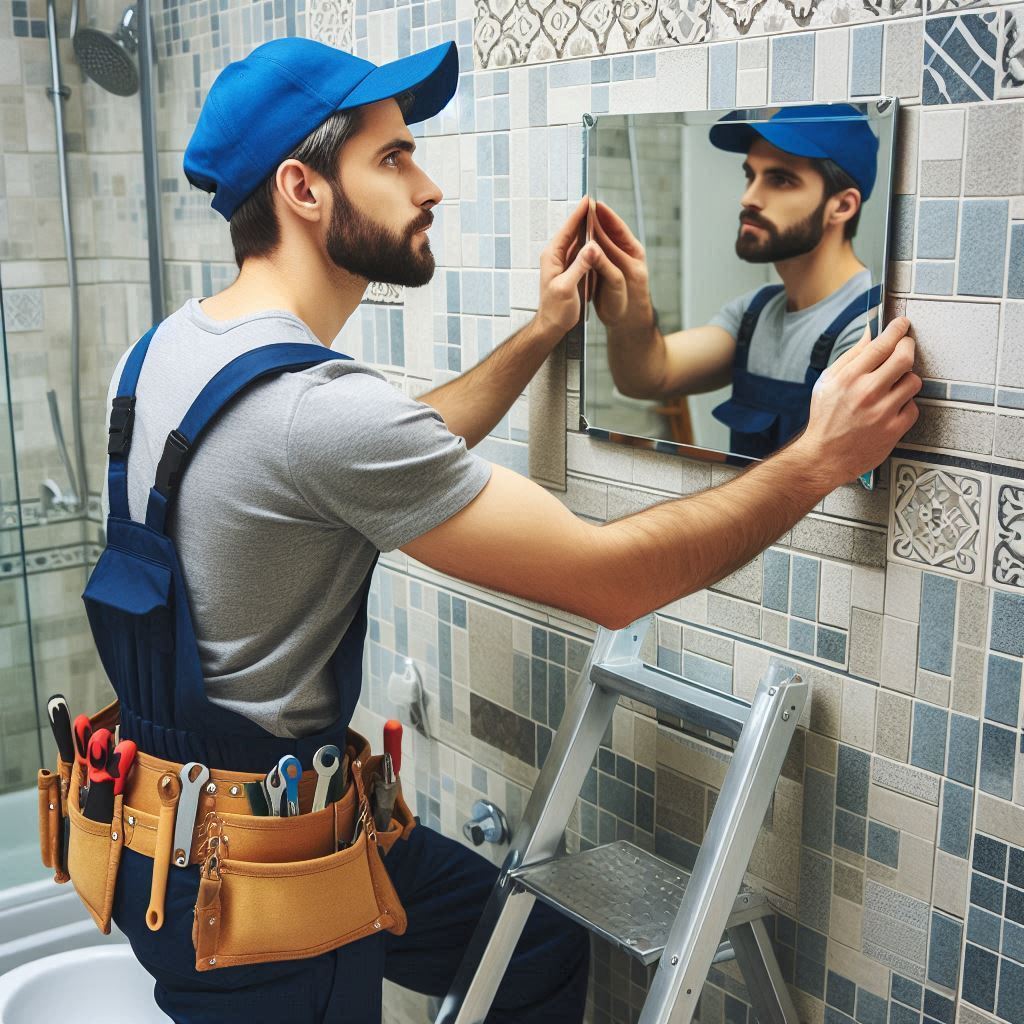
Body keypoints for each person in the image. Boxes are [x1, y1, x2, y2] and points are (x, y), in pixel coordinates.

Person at [95, 37, 919, 1024]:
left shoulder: (164, 356)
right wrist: (818, 460)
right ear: (303, 190)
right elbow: (611, 579)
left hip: (171, 833)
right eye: (393, 158)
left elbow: (382, 452)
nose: (428, 184)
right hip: (258, 884)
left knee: (525, 944)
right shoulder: (318, 412)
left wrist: (539, 332)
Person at [604, 104, 883, 459]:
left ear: (842, 206)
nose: (748, 197)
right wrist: (629, 306)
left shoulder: (865, 328)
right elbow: (647, 376)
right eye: (751, 175)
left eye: (780, 179)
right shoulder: (754, 313)